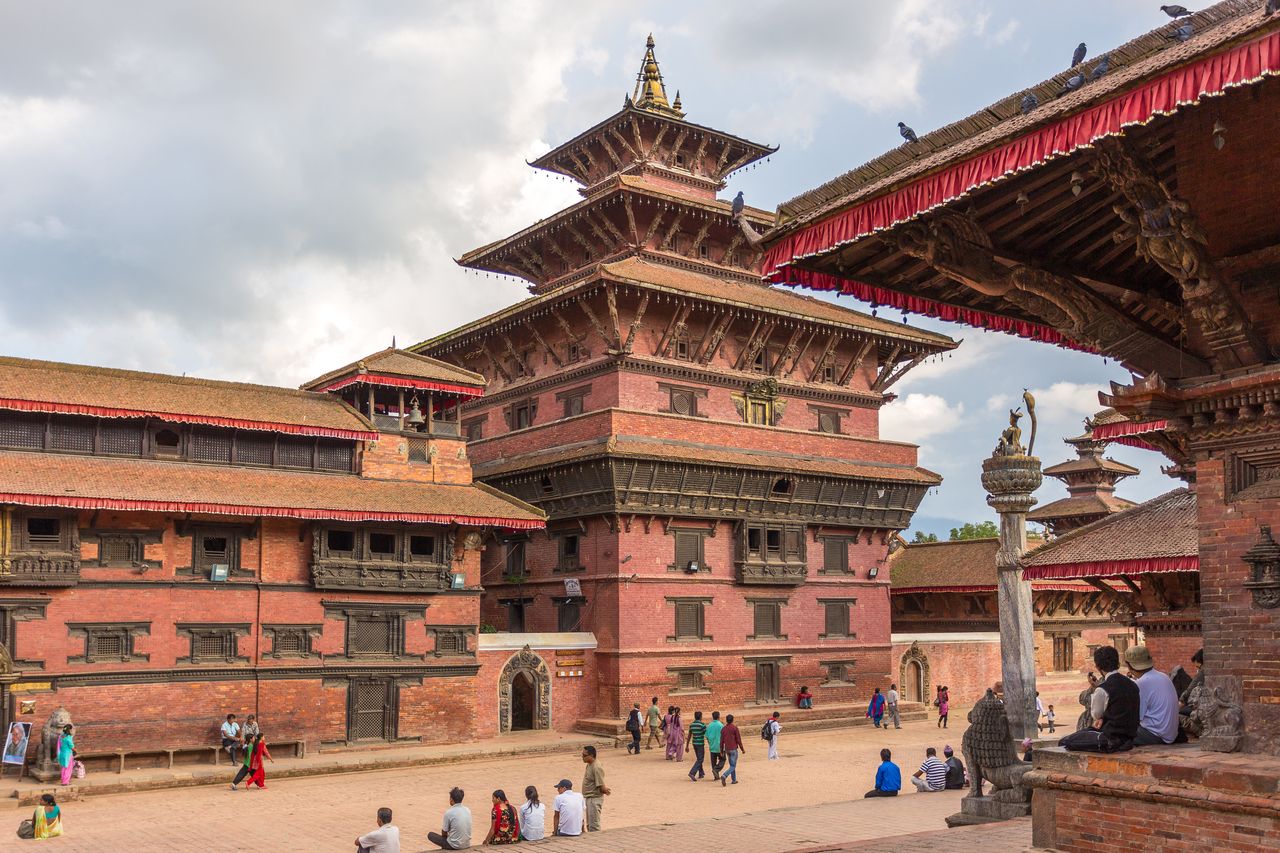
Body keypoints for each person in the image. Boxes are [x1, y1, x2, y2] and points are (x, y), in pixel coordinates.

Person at [1059, 646, 1140, 753]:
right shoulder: (1133, 684)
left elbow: (1096, 715)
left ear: (1098, 667)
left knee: (1065, 741)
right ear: (1118, 663)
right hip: (1130, 737)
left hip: (1110, 739)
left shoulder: (1103, 689)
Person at [1125, 645, 1180, 746]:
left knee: (1117, 732)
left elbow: (1136, 718)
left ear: (1129, 666)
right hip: (1171, 734)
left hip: (1156, 735)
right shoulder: (1163, 676)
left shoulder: (1141, 684)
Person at [580, 744, 610, 831]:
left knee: (594, 826)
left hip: (594, 798)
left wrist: (605, 790)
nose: (582, 757)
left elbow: (600, 784)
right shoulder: (590, 764)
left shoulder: (596, 767)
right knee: (590, 824)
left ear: (591, 755)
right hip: (589, 798)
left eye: (584, 755)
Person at [719, 713, 744, 785]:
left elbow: (721, 741)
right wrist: (742, 749)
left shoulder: (723, 729)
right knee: (733, 766)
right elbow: (738, 740)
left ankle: (734, 780)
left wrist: (721, 750)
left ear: (726, 720)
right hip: (733, 749)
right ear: (732, 720)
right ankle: (724, 775)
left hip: (727, 749)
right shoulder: (735, 728)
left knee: (732, 765)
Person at [686, 710, 707, 781]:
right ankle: (692, 772)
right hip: (700, 744)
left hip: (694, 743)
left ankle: (701, 773)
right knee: (700, 759)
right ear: (701, 717)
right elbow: (706, 734)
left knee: (699, 758)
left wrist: (687, 745)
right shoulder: (702, 725)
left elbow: (689, 735)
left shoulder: (692, 725)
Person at [706, 710, 725, 781]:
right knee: (723, 759)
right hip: (720, 747)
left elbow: (707, 737)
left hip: (712, 746)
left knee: (713, 762)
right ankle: (716, 770)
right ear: (719, 717)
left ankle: (716, 776)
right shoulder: (721, 725)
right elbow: (724, 736)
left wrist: (710, 744)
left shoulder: (709, 725)